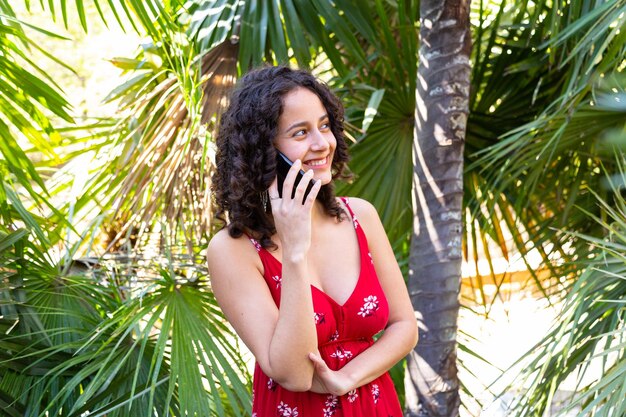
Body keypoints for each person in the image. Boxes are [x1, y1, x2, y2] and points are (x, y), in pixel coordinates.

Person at [207, 65, 418, 417]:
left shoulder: (360, 217)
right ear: (264, 151)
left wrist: (346, 377)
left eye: (324, 126)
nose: (322, 144)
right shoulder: (233, 250)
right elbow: (292, 373)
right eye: (300, 132)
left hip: (374, 404)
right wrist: (294, 252)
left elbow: (404, 325)